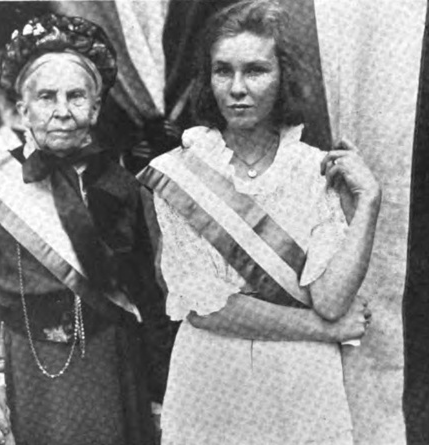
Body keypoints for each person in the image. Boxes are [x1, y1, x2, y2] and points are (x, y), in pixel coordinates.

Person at [138, 1, 381, 444]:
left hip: (300, 381)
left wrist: (368, 204)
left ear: (283, 77)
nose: (237, 88)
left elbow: (330, 300)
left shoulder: (313, 170)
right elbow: (208, 308)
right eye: (222, 71)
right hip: (214, 378)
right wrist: (326, 330)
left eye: (255, 71)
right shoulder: (180, 173)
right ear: (207, 78)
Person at [0, 13, 172, 445]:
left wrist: (160, 393)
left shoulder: (125, 187)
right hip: (21, 372)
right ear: (23, 110)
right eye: (46, 97)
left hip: (109, 371)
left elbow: (152, 299)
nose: (62, 111)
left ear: (96, 108)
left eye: (76, 96)